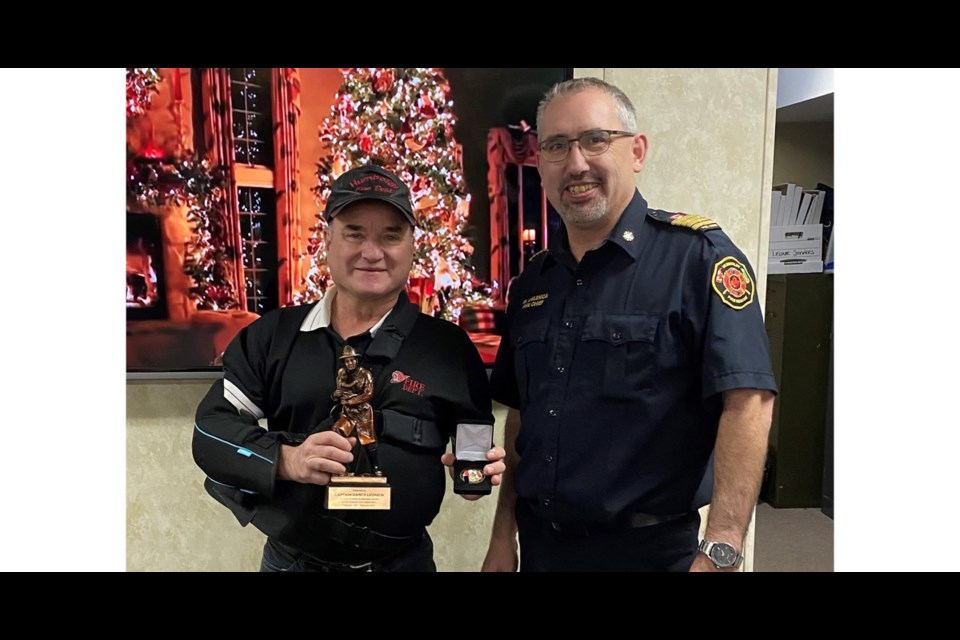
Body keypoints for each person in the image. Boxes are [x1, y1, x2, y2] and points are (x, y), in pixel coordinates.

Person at [483, 77, 778, 572]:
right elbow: (522, 421)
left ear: (636, 150)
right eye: (556, 145)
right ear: (540, 161)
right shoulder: (535, 282)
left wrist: (722, 548)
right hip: (541, 549)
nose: (576, 163)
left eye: (595, 140)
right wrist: (501, 538)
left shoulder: (697, 260)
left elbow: (748, 401)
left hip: (649, 554)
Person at [193, 164, 505, 572]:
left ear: (412, 245)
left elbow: (473, 445)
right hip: (293, 563)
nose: (372, 252)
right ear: (327, 240)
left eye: (390, 235)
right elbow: (210, 433)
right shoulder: (272, 336)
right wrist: (287, 460)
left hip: (403, 564)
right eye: (354, 233)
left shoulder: (449, 348)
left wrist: (474, 478)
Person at [331, 345, 379, 475]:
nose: (350, 363)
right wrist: (336, 395)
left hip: (362, 411)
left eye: (352, 360)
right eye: (347, 361)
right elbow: (338, 393)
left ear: (356, 360)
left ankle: (375, 467)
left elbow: (368, 394)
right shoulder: (341, 374)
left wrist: (352, 401)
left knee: (367, 440)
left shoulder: (365, 374)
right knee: (338, 432)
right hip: (347, 412)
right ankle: (345, 468)